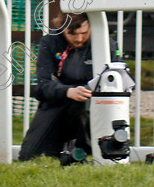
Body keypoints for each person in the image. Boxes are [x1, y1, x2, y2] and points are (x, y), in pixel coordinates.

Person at [18, 13, 120, 161]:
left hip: (93, 103)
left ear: (91, 28)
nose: (79, 39)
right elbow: (42, 86)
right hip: (58, 101)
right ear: (61, 29)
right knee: (29, 156)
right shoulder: (50, 42)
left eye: (84, 34)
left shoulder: (106, 44)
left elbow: (119, 80)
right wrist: (68, 91)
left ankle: (88, 150)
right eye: (72, 34)